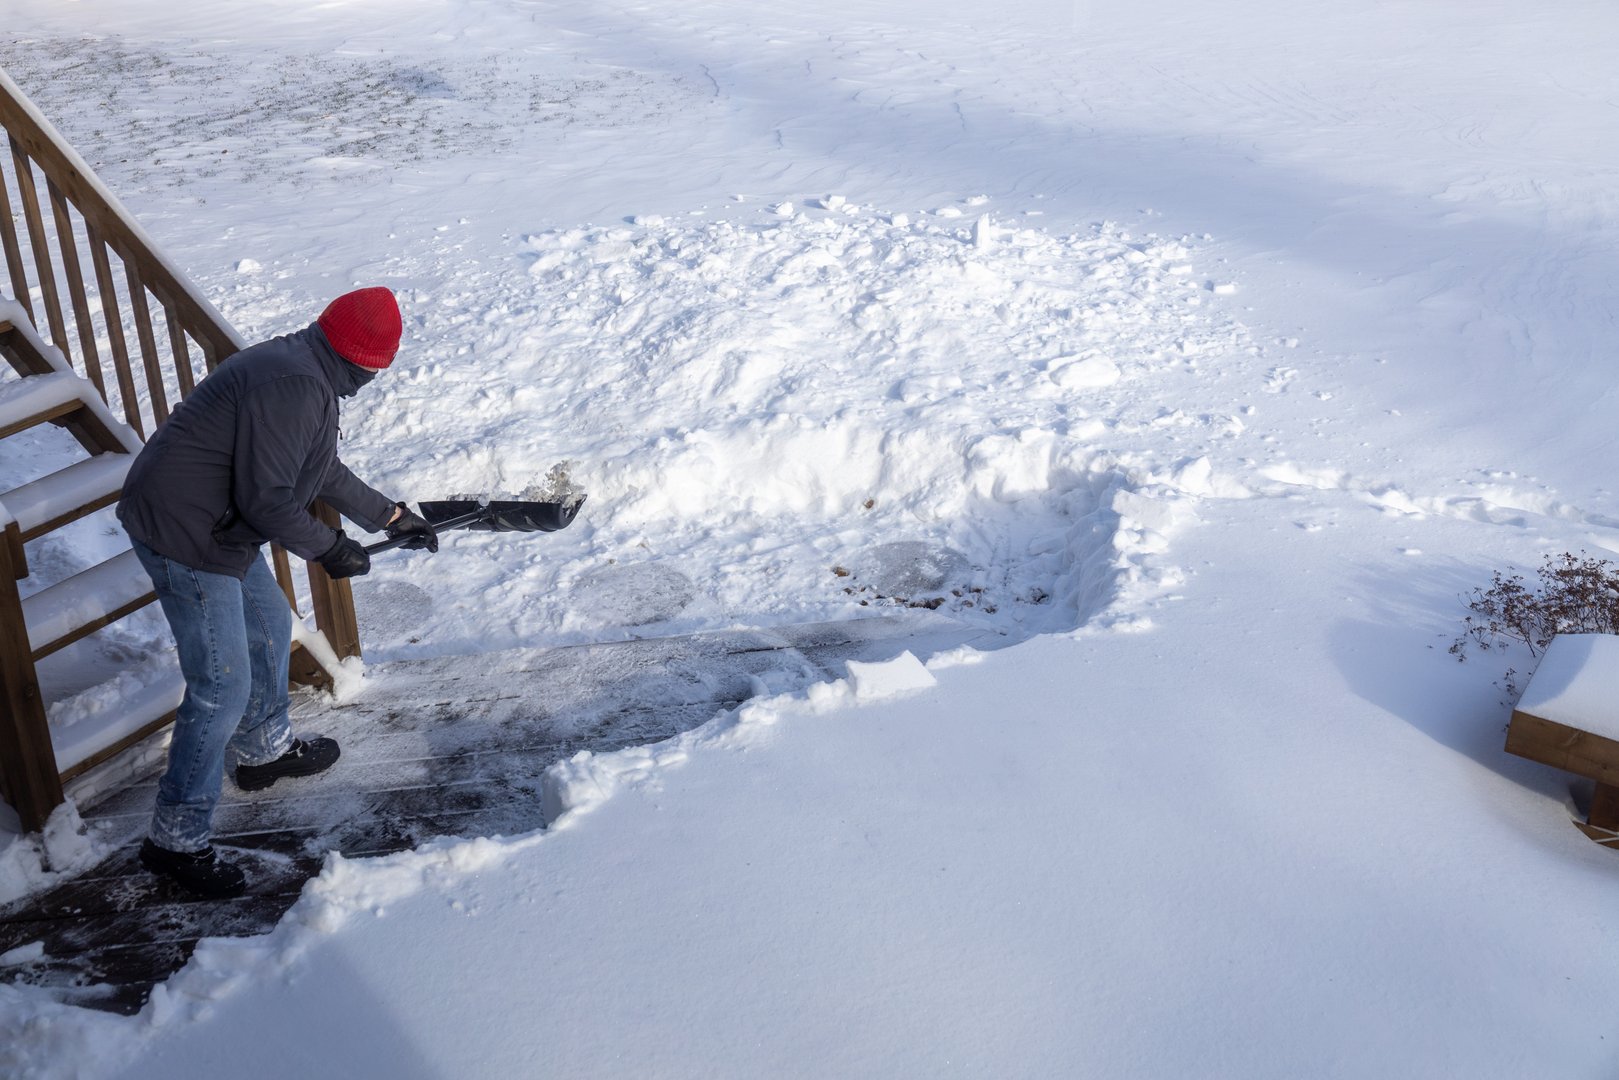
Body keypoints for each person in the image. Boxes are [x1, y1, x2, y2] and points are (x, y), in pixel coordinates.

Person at [116, 286, 438, 898]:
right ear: (361, 359)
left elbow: (318, 471)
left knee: (267, 627)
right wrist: (329, 548)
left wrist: (390, 517)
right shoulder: (296, 384)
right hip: (186, 532)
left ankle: (263, 751)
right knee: (221, 687)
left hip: (217, 524)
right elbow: (268, 500)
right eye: (375, 368)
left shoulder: (306, 368)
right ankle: (174, 840)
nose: (374, 378)